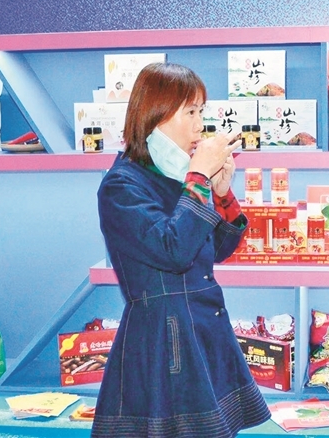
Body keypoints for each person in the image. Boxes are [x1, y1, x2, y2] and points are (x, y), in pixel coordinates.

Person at [92, 62, 270, 438]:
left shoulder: (178, 175)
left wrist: (221, 192)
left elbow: (216, 250)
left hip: (204, 329)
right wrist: (199, 177)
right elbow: (174, 251)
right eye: (190, 112)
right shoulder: (122, 186)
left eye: (201, 112)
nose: (199, 126)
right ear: (154, 114)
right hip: (164, 342)